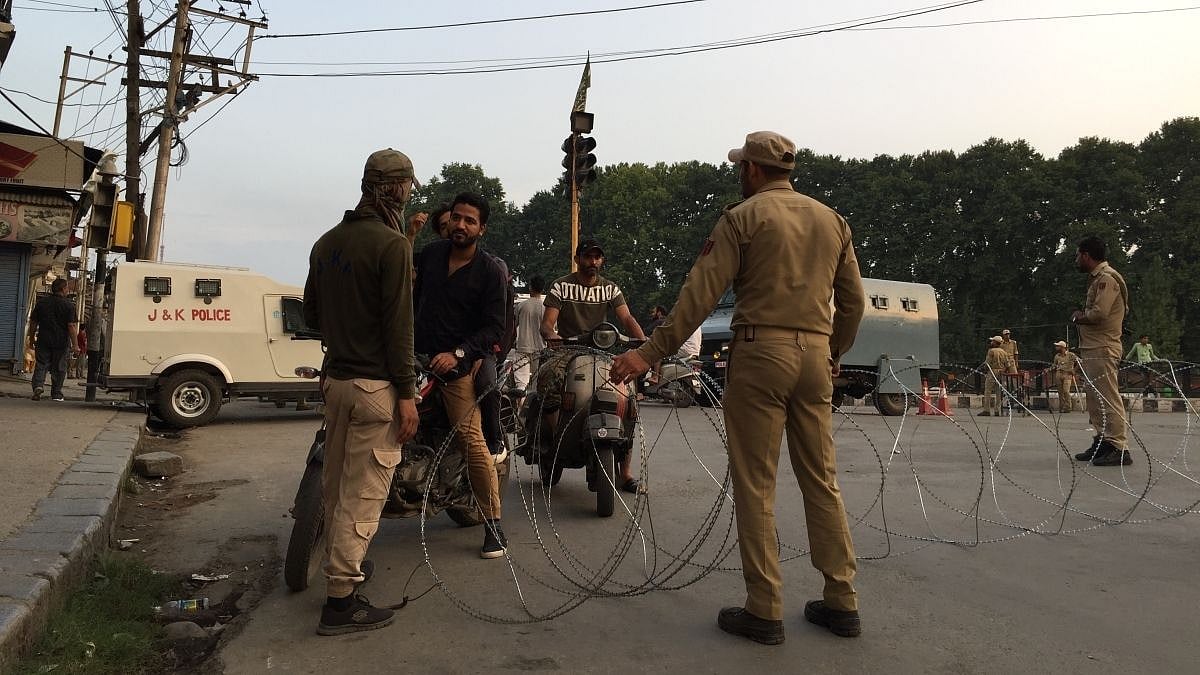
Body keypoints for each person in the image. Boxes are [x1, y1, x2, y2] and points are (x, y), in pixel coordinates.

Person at [610, 131, 866, 644]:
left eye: (740, 167)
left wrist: (647, 353)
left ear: (750, 170)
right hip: (816, 354)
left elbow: (699, 295)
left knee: (756, 483)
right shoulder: (832, 220)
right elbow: (854, 302)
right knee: (822, 479)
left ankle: (764, 607)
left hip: (760, 352)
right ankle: (842, 601)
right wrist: (831, 353)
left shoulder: (742, 218)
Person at [303, 148, 420, 635]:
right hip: (377, 388)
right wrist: (408, 394)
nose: (411, 193)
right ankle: (341, 601)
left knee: (334, 487)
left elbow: (310, 317)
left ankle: (340, 571)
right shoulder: (392, 247)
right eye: (409, 185)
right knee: (364, 493)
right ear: (395, 189)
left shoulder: (327, 243)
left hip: (336, 383)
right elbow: (400, 328)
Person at [413, 191, 509, 558]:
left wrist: (458, 354)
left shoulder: (490, 272)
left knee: (472, 442)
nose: (461, 225)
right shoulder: (433, 256)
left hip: (457, 368)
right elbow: (411, 299)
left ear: (481, 229)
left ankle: (494, 524)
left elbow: (494, 328)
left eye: (470, 220)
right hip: (415, 361)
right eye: (457, 217)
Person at [538, 238, 649, 493]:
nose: (593, 262)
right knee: (548, 378)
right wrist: (550, 335)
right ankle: (558, 438)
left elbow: (627, 317)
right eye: (588, 257)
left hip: (603, 350)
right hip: (568, 349)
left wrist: (643, 343)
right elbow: (548, 322)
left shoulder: (610, 288)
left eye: (598, 257)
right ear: (578, 259)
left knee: (628, 399)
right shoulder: (561, 286)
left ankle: (625, 473)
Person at [1070, 235, 1130, 466]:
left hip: (1103, 347)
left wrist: (1078, 317)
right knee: (1096, 399)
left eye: (1078, 255)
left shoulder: (1107, 279)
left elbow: (1099, 314)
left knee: (1108, 398)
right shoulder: (1097, 279)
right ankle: (1104, 440)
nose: (1076, 260)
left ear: (1086, 255)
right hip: (1093, 348)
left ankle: (1119, 446)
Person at [28, 277, 79, 402]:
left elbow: (33, 322)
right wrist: (75, 345)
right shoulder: (69, 306)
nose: (68, 290)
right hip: (61, 342)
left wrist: (31, 338)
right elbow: (71, 326)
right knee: (60, 367)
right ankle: (56, 393)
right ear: (63, 289)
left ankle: (38, 386)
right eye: (67, 287)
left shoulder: (42, 303)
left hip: (43, 339)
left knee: (41, 364)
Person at [513, 275, 547, 393]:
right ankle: (532, 408)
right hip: (540, 349)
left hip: (522, 347)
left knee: (521, 385)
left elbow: (514, 326)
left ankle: (520, 407)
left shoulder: (521, 306)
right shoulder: (546, 308)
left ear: (530, 288)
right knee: (536, 384)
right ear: (542, 289)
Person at [979, 335, 1014, 417]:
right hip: (1001, 373)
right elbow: (1008, 365)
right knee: (999, 392)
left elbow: (987, 364)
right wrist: (1004, 370)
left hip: (992, 372)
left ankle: (986, 410)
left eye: (992, 341)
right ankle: (997, 410)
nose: (991, 342)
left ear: (995, 343)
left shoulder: (991, 351)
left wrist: (984, 369)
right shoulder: (1004, 352)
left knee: (988, 391)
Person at [1049, 340, 1080, 413]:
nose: (1056, 347)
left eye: (1058, 346)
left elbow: (1079, 362)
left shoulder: (1071, 355)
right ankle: (1062, 407)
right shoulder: (1057, 356)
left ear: (1062, 347)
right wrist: (1049, 369)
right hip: (1059, 373)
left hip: (1067, 374)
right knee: (1060, 392)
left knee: (1066, 391)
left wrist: (1074, 370)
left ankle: (1068, 407)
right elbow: (1054, 365)